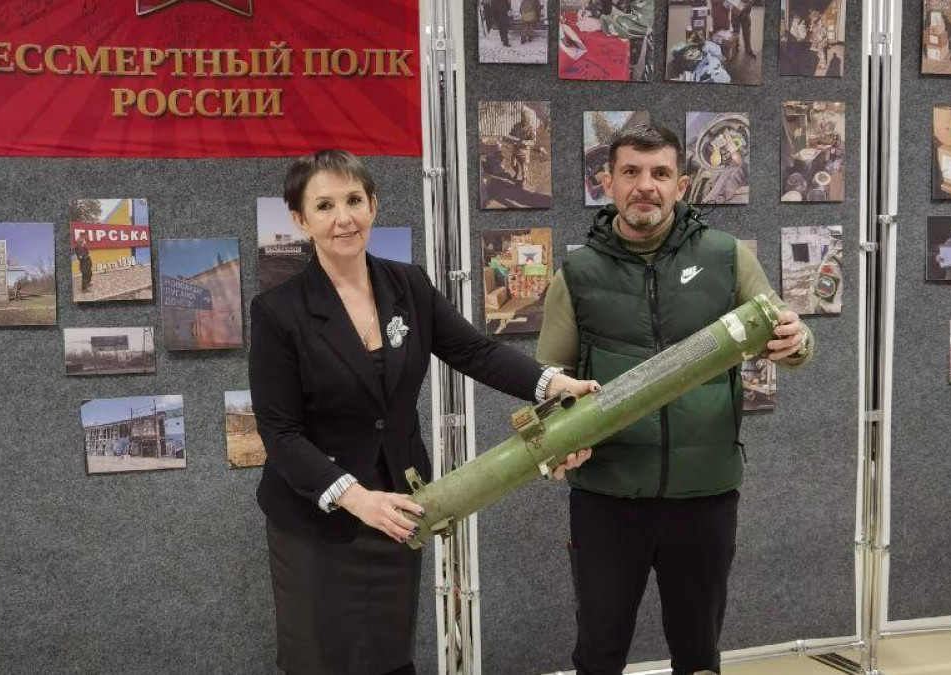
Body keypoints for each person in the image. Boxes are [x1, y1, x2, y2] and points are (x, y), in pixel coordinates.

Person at [249, 150, 598, 675]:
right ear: (301, 220)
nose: (343, 218)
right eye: (324, 206)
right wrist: (356, 498)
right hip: (317, 518)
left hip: (399, 504)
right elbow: (280, 433)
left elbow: (476, 352)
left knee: (390, 656)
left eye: (354, 200)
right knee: (323, 660)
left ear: (373, 205)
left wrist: (552, 384)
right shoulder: (279, 311)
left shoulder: (407, 285)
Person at [536, 125, 815, 675]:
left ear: (681, 185)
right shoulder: (577, 276)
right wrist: (557, 436)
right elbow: (548, 382)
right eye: (631, 172)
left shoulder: (727, 257)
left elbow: (792, 339)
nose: (646, 185)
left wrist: (797, 340)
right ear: (607, 183)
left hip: (704, 497)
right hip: (608, 499)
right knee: (599, 651)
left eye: (660, 173)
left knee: (697, 652)